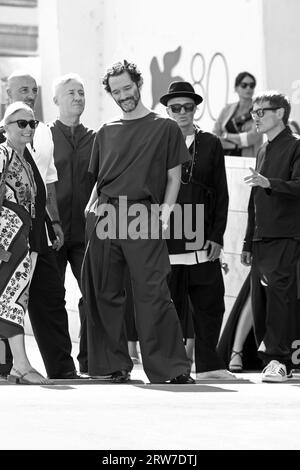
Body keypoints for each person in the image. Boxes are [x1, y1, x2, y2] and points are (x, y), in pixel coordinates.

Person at [82, 60, 194, 384]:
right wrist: (90, 210)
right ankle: (111, 365)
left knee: (153, 292)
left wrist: (166, 214)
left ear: (139, 84)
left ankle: (170, 369)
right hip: (104, 213)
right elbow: (99, 179)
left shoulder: (165, 127)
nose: (123, 96)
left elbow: (174, 178)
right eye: (116, 92)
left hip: (143, 214)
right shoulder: (106, 131)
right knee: (103, 291)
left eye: (127, 88)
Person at [4, 71, 79, 379]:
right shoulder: (2, 140)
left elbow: (48, 183)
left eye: (34, 90)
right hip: (8, 237)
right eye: (23, 89)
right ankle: (8, 367)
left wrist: (56, 222)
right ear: (8, 94)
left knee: (49, 297)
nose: (30, 93)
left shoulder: (44, 132)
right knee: (8, 297)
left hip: (39, 232)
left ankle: (62, 369)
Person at [160, 81, 235, 380]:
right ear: (167, 110)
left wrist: (217, 235)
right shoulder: (159, 141)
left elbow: (222, 192)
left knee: (210, 302)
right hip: (169, 235)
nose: (182, 112)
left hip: (202, 236)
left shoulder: (211, 143)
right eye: (175, 108)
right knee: (170, 307)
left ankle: (210, 367)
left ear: (195, 109)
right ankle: (174, 367)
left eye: (187, 107)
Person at [242, 91, 300, 382]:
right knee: (261, 304)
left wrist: (269, 183)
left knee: (281, 302)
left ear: (280, 113)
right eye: (253, 112)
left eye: (262, 111)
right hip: (262, 240)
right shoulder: (263, 149)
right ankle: (272, 360)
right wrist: (247, 241)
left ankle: (281, 361)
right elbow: (255, 200)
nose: (256, 117)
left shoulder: (296, 147)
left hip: (286, 237)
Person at [0, 102, 51, 384]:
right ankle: (20, 364)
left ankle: (19, 364)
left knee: (15, 298)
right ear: (5, 127)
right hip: (7, 240)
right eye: (22, 123)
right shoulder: (3, 153)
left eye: (33, 123)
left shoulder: (25, 158)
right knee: (12, 300)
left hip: (22, 239)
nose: (29, 128)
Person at [49, 73, 96, 374]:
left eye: (81, 92)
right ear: (56, 101)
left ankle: (91, 361)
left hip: (87, 232)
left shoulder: (96, 138)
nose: (78, 97)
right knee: (53, 298)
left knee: (93, 293)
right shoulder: (42, 136)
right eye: (70, 93)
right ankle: (60, 365)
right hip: (53, 231)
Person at [213, 71, 262, 157]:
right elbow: (215, 135)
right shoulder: (227, 109)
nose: (248, 88)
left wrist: (226, 136)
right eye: (244, 85)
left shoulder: (259, 110)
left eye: (252, 85)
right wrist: (235, 145)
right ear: (236, 88)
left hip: (247, 160)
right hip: (223, 158)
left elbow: (251, 138)